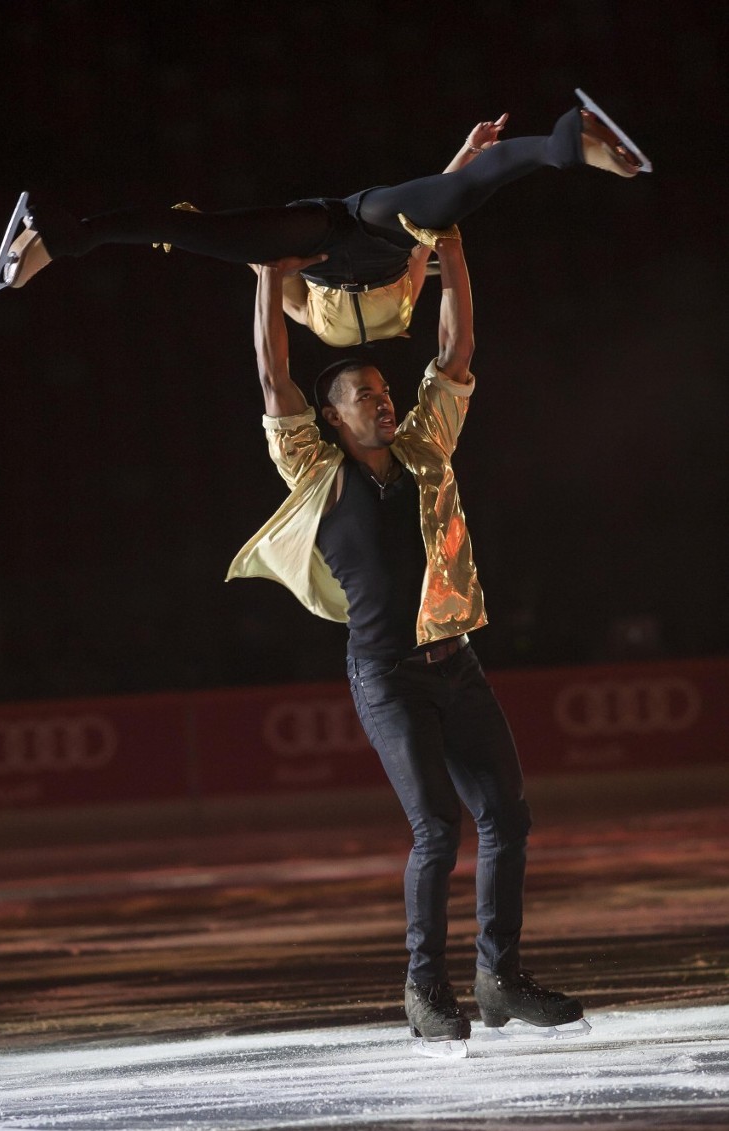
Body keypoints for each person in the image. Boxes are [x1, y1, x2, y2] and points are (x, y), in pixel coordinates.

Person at [225, 230, 585, 1044]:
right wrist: (266, 276)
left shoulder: (425, 450)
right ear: (332, 414)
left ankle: (500, 979)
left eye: (386, 391)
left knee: (508, 816)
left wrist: (452, 249)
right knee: (437, 830)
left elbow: (455, 346)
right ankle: (426, 991)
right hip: (385, 674)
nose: (383, 402)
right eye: (365, 395)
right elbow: (271, 373)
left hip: (458, 665)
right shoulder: (316, 471)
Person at [0, 89, 650, 348]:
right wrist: (463, 155)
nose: (369, 389)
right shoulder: (404, 314)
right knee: (451, 201)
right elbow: (428, 232)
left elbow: (270, 274)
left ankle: (65, 236)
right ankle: (566, 142)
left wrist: (276, 266)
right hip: (387, 239)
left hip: (326, 244)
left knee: (195, 233)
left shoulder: (313, 323)